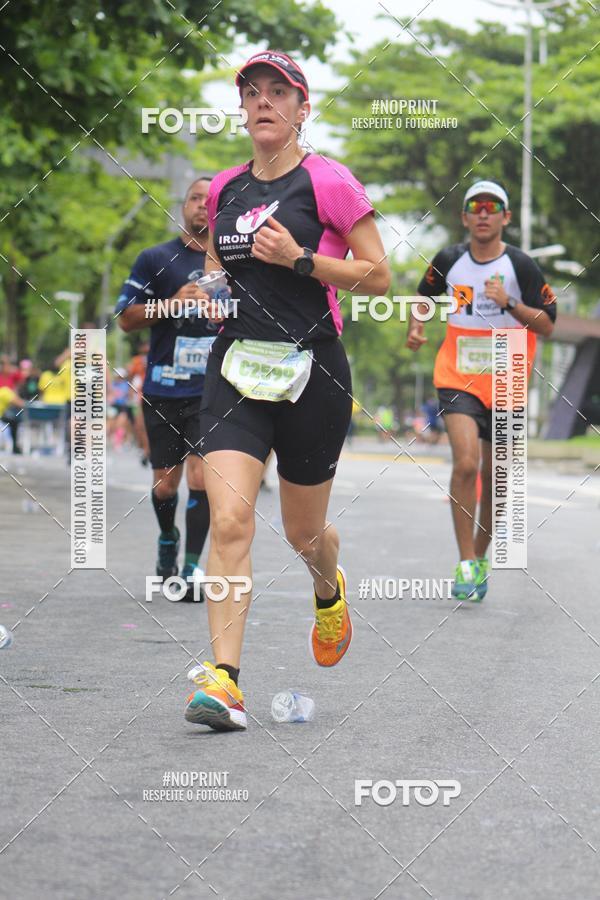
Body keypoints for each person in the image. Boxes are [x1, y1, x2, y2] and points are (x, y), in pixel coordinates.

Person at [184, 50, 391, 731]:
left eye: (280, 91)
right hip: (236, 368)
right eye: (253, 92)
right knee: (231, 519)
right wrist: (209, 291)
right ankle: (224, 681)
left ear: (304, 109)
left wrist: (301, 259)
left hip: (314, 373)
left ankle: (328, 590)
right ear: (241, 108)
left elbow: (378, 275)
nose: (264, 101)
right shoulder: (225, 189)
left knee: (304, 533)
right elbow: (218, 261)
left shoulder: (328, 182)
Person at [408, 180, 557, 602]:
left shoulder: (521, 267)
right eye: (477, 206)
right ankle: (466, 562)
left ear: (506, 217)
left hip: (507, 374)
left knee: (497, 479)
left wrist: (510, 303)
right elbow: (423, 297)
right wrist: (416, 324)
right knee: (467, 464)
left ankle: (480, 556)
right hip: (458, 373)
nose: (485, 213)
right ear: (466, 217)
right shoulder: (450, 259)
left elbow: (547, 324)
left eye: (494, 207)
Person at [116, 177, 216, 599]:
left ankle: (192, 568)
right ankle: (167, 539)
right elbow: (125, 316)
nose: (201, 207)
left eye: (209, 202)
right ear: (183, 207)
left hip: (213, 391)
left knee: (201, 478)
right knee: (164, 485)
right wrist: (172, 302)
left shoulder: (233, 263)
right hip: (163, 388)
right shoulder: (155, 258)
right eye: (195, 199)